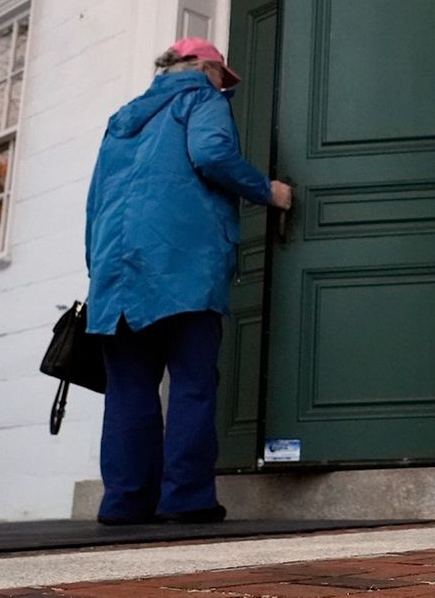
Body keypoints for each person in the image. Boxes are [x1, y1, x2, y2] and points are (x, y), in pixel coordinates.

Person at [84, 37, 292, 525]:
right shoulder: (202, 98)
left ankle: (124, 503)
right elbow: (212, 153)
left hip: (116, 273)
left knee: (129, 388)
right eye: (224, 75)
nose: (226, 87)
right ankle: (187, 499)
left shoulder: (124, 118)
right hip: (184, 265)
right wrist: (268, 190)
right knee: (193, 384)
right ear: (200, 66)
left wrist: (99, 271)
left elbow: (96, 201)